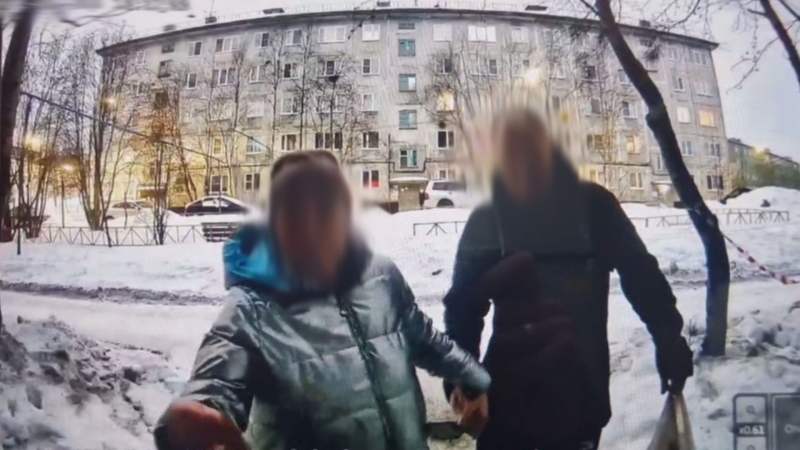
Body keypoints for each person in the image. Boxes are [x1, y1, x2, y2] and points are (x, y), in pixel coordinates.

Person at [154, 151, 490, 450]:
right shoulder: (253, 306)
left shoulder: (381, 275)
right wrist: (201, 415)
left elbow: (426, 341)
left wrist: (476, 380)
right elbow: (216, 380)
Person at [443, 108, 694, 450]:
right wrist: (464, 379)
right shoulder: (492, 216)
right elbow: (464, 304)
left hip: (572, 399)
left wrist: (668, 337)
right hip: (514, 397)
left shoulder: (593, 206)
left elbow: (641, 276)